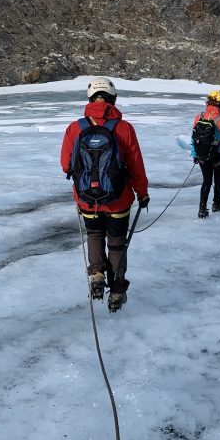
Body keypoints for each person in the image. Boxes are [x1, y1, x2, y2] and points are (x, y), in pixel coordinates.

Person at [61, 77, 149, 312]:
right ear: (114, 99)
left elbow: (66, 165)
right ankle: (117, 291)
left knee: (94, 234)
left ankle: (97, 274)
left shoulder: (75, 128)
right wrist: (142, 193)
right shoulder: (124, 128)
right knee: (118, 244)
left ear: (90, 99)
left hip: (87, 199)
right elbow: (136, 166)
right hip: (118, 199)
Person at [191, 90, 220, 218]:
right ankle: (216, 204)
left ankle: (202, 208)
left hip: (202, 156)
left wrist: (195, 155)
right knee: (219, 180)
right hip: (219, 156)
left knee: (206, 181)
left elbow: (193, 138)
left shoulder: (199, 117)